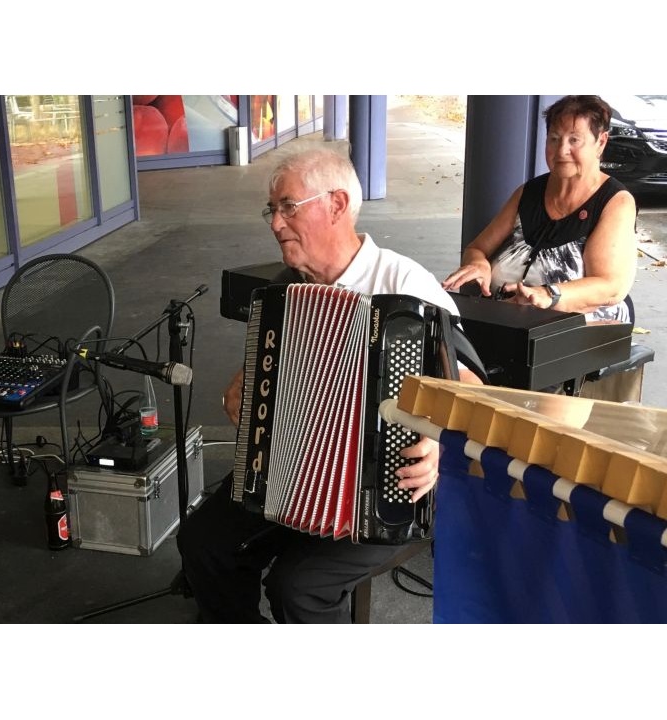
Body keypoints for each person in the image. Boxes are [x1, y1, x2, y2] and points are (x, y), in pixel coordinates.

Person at [176, 145, 481, 623]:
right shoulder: (286, 290)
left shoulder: (407, 288)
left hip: (390, 489)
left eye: (287, 207)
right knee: (202, 542)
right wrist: (246, 383)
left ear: (337, 205)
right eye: (271, 210)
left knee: (299, 586)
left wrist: (443, 445)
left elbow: (472, 390)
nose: (275, 224)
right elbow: (268, 370)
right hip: (291, 471)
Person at [442, 95, 637, 323]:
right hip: (505, 318)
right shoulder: (529, 192)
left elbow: (611, 287)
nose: (562, 150)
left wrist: (548, 294)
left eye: (574, 140)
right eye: (554, 139)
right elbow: (477, 248)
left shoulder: (614, 202)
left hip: (576, 330)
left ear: (601, 142)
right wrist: (477, 264)